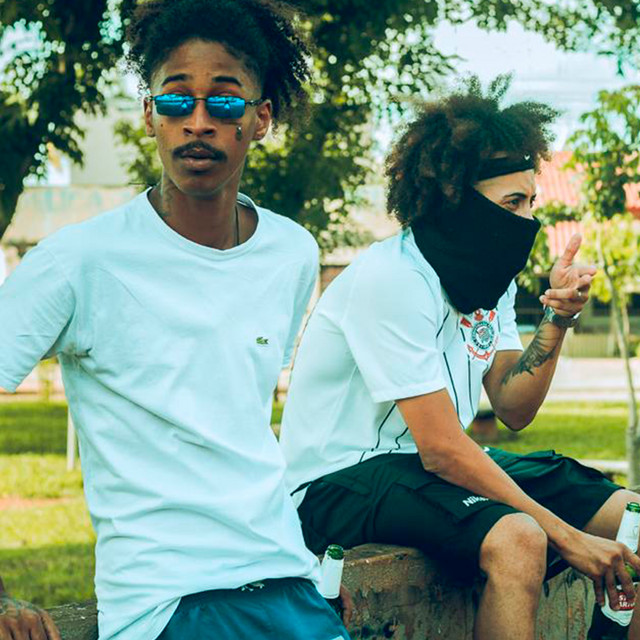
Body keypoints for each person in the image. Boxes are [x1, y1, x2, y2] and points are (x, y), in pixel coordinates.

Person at [0, 1, 352, 639]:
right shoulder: (79, 261)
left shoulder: (292, 252)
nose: (198, 122)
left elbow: (239, 423)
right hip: (167, 604)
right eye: (175, 100)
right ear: (149, 116)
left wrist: (306, 576)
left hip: (287, 581)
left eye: (225, 101)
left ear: (260, 118)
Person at [279, 76, 640, 640]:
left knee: (632, 516)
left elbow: (513, 406)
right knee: (520, 537)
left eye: (531, 202)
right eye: (511, 203)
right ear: (456, 200)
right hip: (336, 483)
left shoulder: (487, 280)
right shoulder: (393, 278)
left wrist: (558, 318)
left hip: (420, 469)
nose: (526, 221)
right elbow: (443, 450)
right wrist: (568, 537)